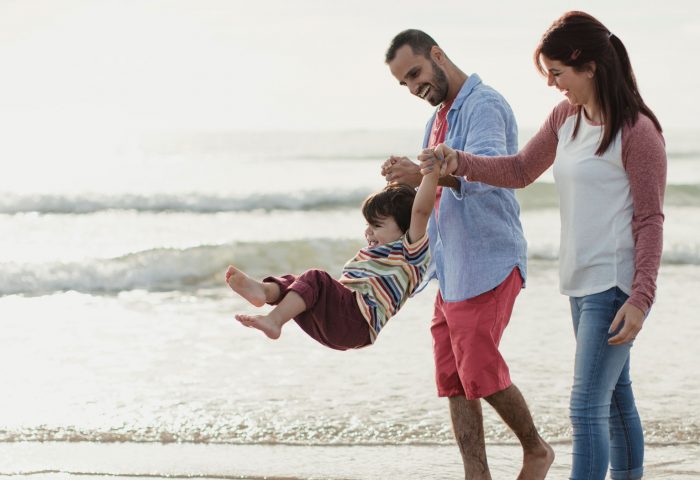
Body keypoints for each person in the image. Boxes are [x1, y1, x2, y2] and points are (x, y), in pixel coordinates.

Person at [420, 11, 665, 480]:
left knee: (586, 406)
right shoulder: (565, 118)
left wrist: (641, 298)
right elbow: (518, 171)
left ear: (589, 66)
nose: (553, 85)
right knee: (616, 397)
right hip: (578, 280)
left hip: (615, 285)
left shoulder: (638, 133)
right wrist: (458, 161)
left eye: (557, 73)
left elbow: (650, 219)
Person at [382, 30, 553, 479]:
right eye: (405, 83)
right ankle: (476, 474)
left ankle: (536, 450)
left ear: (437, 54)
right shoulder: (437, 118)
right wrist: (408, 181)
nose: (415, 87)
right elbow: (434, 188)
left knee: (477, 367)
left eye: (415, 73)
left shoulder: (484, 105)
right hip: (451, 268)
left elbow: (489, 173)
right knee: (454, 380)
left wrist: (432, 175)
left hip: (490, 262)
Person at [225, 162, 438, 349]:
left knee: (315, 279)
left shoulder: (409, 250)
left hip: (356, 322)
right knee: (297, 284)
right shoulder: (383, 250)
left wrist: (431, 172)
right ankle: (264, 292)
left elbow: (419, 211)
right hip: (341, 324)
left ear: (406, 227)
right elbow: (400, 205)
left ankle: (274, 321)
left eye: (376, 226)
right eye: (368, 225)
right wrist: (398, 180)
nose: (368, 232)